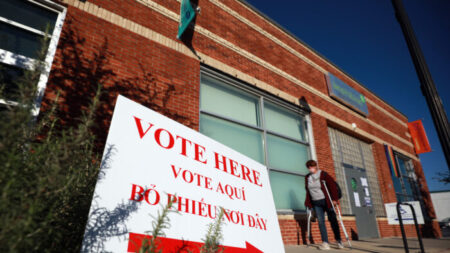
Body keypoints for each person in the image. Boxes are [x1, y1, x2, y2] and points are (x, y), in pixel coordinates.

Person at [304, 160, 344, 250]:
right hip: (316, 202)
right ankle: (325, 243)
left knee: (333, 220)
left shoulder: (323, 174)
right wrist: (308, 203)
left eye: (312, 166)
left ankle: (339, 240)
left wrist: (334, 199)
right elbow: (308, 191)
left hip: (326, 201)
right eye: (309, 167)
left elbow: (332, 186)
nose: (311, 168)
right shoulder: (307, 177)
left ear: (316, 166)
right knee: (321, 222)